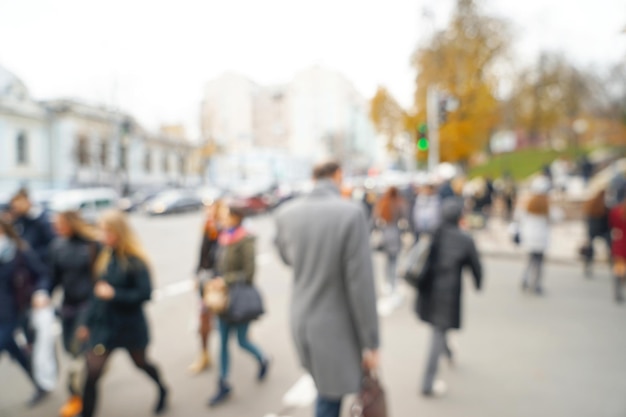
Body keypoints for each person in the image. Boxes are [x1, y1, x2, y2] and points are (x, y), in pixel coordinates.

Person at [275, 161, 380, 417]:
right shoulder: (351, 214)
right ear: (337, 176)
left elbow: (287, 257)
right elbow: (361, 285)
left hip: (300, 320)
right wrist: (371, 342)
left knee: (324, 391)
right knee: (329, 399)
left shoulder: (286, 213)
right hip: (335, 327)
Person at [75, 210, 168, 417]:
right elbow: (96, 294)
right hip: (105, 327)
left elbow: (145, 294)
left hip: (129, 326)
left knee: (141, 363)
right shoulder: (104, 256)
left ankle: (162, 388)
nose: (102, 236)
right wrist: (86, 323)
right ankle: (86, 412)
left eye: (107, 231)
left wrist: (114, 294)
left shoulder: (135, 260)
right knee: (92, 372)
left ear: (119, 232)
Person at [416, 199, 482, 397]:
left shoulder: (435, 233)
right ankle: (427, 383)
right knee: (438, 329)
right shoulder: (464, 239)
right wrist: (478, 283)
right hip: (448, 292)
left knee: (439, 326)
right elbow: (476, 266)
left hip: (429, 289)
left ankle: (449, 353)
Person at [207, 203, 270, 407]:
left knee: (242, 340)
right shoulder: (224, 237)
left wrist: (226, 280)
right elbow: (216, 264)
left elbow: (249, 273)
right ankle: (223, 383)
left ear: (236, 217)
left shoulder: (245, 239)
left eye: (226, 215)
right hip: (223, 300)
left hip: (239, 299)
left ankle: (263, 359)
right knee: (223, 342)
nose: (223, 218)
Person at [49, 211, 101, 417]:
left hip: (86, 306)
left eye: (60, 223)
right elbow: (53, 277)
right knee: (70, 352)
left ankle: (78, 396)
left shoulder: (91, 244)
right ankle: (80, 393)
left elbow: (100, 276)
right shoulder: (57, 246)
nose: (57, 227)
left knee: (79, 354)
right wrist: (44, 293)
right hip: (68, 307)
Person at [0, 218, 51, 406]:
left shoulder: (19, 251)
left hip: (14, 311)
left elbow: (42, 274)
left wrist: (41, 292)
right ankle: (40, 383)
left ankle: (40, 382)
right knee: (16, 351)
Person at [188, 201, 223, 375]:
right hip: (206, 280)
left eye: (212, 211)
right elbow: (201, 254)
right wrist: (196, 274)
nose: (208, 214)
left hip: (218, 282)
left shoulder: (223, 232)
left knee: (225, 319)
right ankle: (204, 354)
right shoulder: (207, 230)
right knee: (203, 318)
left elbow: (223, 258)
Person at [519, 177, 552, 295]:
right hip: (541, 237)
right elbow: (556, 217)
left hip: (530, 236)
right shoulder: (546, 206)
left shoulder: (528, 204)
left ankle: (526, 279)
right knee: (539, 262)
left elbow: (520, 218)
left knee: (530, 260)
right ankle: (536, 284)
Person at [373, 186, 407, 295]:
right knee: (394, 260)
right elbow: (404, 218)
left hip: (386, 233)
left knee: (387, 260)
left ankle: (388, 281)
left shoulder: (383, 203)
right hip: (395, 233)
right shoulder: (399, 203)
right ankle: (392, 282)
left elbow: (375, 218)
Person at [581, 190, 611, 278]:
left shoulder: (591, 205)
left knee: (590, 249)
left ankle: (588, 266)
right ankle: (612, 265)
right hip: (603, 231)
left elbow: (586, 219)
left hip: (592, 230)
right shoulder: (604, 207)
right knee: (610, 248)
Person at [608, 182, 626, 304]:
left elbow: (611, 225)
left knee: (619, 268)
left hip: (619, 241)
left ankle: (617, 290)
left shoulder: (616, 211)